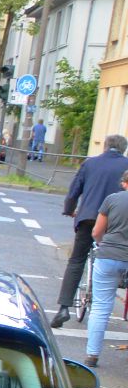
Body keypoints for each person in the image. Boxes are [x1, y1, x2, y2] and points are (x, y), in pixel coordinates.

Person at [54, 134, 128, 328]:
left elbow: (73, 191)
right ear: (123, 149)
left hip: (88, 218)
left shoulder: (90, 164)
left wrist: (69, 210)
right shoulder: (126, 165)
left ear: (105, 147)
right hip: (115, 221)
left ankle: (63, 307)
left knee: (77, 259)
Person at [80, 167, 128, 366]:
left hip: (108, 255)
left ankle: (92, 355)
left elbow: (97, 231)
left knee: (101, 307)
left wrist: (101, 243)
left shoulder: (112, 199)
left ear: (124, 183)